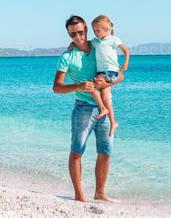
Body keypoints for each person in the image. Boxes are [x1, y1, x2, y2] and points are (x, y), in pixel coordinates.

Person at [53, 15, 124, 202]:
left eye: (81, 32)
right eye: (73, 34)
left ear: (87, 29)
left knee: (105, 152)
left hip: (106, 107)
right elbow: (57, 87)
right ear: (69, 35)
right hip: (83, 109)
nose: (78, 37)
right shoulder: (67, 56)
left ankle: (100, 193)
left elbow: (120, 75)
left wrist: (107, 83)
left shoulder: (99, 45)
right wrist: (77, 86)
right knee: (77, 151)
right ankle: (79, 195)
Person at [88, 15, 130, 136]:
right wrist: (72, 44)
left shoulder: (113, 39)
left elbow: (126, 51)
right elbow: (86, 43)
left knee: (91, 86)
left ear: (106, 29)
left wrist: (125, 64)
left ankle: (102, 108)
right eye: (94, 31)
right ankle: (113, 122)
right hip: (101, 72)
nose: (95, 33)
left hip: (111, 71)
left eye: (98, 30)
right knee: (106, 98)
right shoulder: (96, 42)